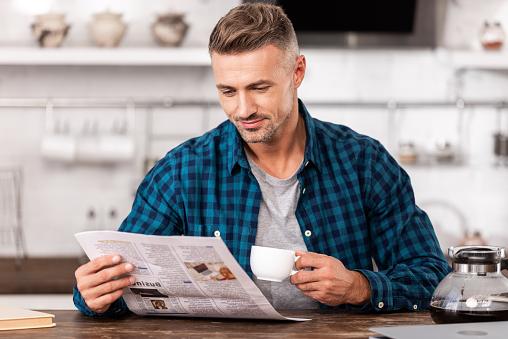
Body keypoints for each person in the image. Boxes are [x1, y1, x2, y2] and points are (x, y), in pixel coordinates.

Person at [73, 3, 450, 317]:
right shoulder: (182, 170)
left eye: (259, 87)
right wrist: (93, 295)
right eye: (227, 91)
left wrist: (360, 286)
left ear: (297, 72)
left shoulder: (363, 162)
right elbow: (122, 285)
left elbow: (432, 276)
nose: (243, 109)